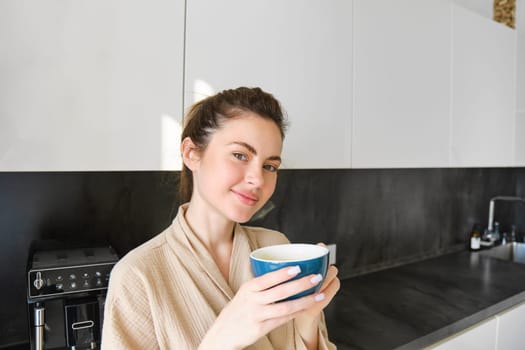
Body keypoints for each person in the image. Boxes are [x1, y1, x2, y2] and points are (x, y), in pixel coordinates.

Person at [101, 87, 340, 349]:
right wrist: (220, 340)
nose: (257, 179)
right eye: (240, 155)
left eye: (269, 166)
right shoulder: (137, 277)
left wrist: (308, 318)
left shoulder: (276, 247)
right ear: (192, 153)